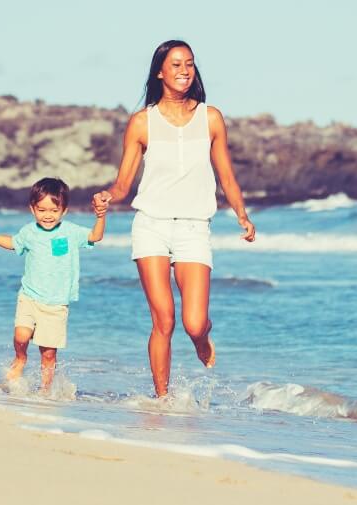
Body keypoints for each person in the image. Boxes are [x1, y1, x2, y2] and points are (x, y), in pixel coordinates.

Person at [93, 40, 255, 398]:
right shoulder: (141, 123)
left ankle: (202, 339)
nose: (184, 71)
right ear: (160, 72)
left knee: (193, 323)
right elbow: (123, 182)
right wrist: (109, 196)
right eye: (177, 65)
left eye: (190, 65)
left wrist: (242, 214)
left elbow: (226, 174)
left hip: (194, 227)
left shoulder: (210, 118)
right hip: (151, 224)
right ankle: (161, 398)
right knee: (163, 319)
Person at [0, 178, 106, 393]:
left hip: (56, 304)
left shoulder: (71, 232)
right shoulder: (29, 232)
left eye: (54, 210)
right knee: (21, 336)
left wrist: (100, 216)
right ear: (32, 209)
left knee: (48, 353)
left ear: (64, 210)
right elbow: (13, 244)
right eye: (41, 210)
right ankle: (20, 358)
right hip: (29, 296)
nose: (47, 215)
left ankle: (45, 389)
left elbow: (95, 236)